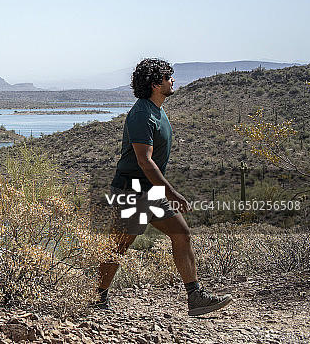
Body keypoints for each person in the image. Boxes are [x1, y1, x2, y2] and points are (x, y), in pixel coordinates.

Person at [96, 58, 232, 316]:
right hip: (132, 191)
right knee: (119, 246)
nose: (173, 81)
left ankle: (195, 297)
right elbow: (144, 161)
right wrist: (172, 192)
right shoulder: (142, 114)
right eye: (169, 77)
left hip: (151, 191)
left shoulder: (157, 110)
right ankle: (97, 296)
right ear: (155, 83)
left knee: (182, 233)